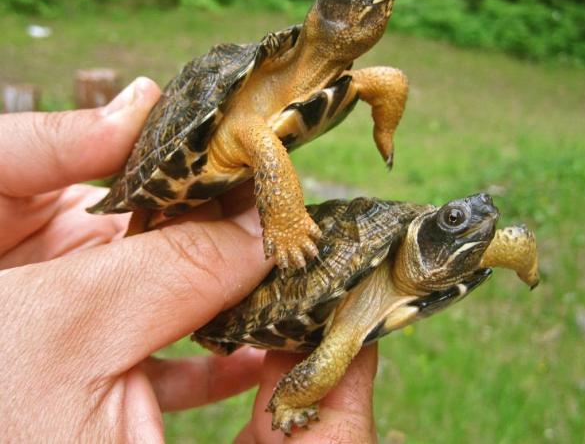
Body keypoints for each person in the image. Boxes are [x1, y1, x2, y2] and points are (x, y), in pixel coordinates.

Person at [0, 77, 378, 443]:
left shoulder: (347, 79)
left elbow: (382, 81)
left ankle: (217, 330)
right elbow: (253, 134)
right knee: (163, 227)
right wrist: (282, 220)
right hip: (202, 160)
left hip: (225, 182)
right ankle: (217, 329)